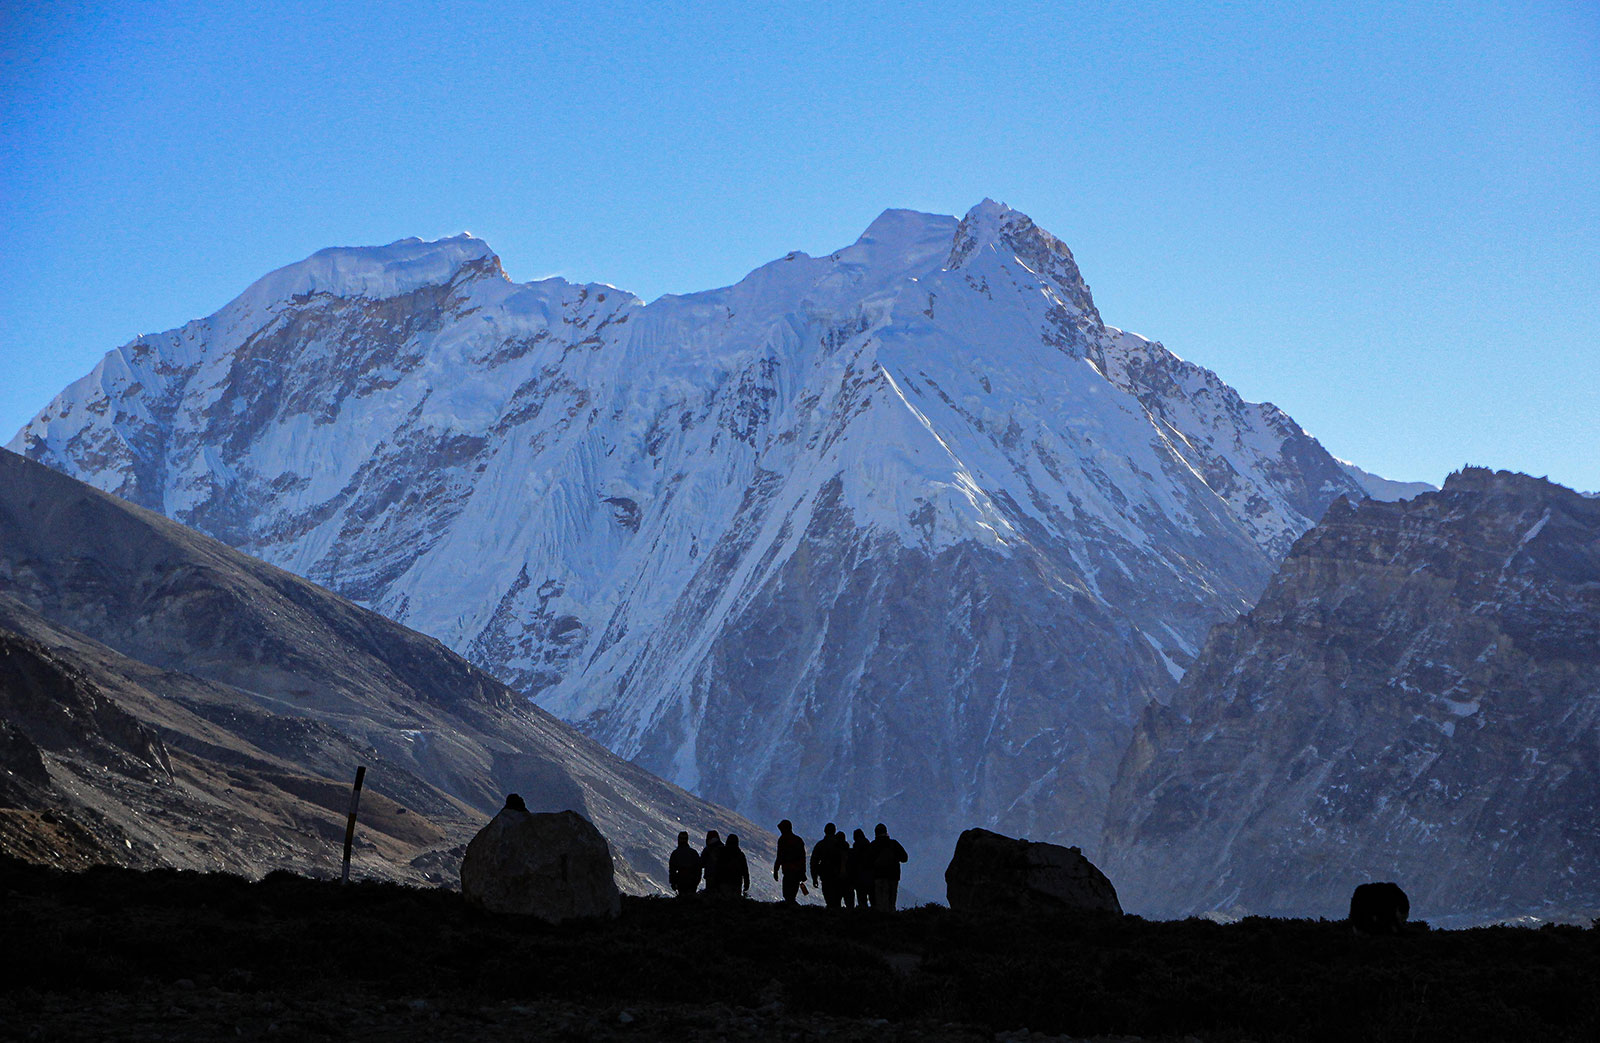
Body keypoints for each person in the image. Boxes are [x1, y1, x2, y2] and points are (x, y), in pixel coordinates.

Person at [810, 822, 850, 909]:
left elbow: (814, 862)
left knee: (829, 900)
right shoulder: (841, 845)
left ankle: (831, 917)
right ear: (834, 831)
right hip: (839, 877)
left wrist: (814, 877)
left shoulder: (820, 845)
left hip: (826, 876)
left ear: (825, 831)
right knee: (837, 900)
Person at [870, 822, 908, 911]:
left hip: (878, 877)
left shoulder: (873, 845)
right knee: (891, 902)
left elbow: (867, 861)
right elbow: (904, 858)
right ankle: (892, 920)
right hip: (893, 876)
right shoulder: (893, 844)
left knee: (880, 902)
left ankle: (881, 921)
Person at [773, 819, 807, 904]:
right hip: (796, 871)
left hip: (788, 870)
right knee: (791, 893)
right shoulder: (798, 840)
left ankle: (789, 908)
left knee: (787, 893)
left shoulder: (782, 840)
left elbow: (779, 856)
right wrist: (803, 872)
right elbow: (803, 858)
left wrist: (776, 869)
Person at [668, 830, 701, 898]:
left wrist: (673, 883)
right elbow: (698, 869)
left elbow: (672, 870)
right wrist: (696, 881)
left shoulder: (675, 853)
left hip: (681, 881)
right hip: (692, 881)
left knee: (682, 900)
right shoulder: (693, 853)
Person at [849, 828, 874, 910]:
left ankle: (863, 917)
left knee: (862, 900)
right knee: (873, 900)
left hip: (859, 878)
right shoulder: (870, 847)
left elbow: (853, 864)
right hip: (871, 877)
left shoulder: (855, 850)